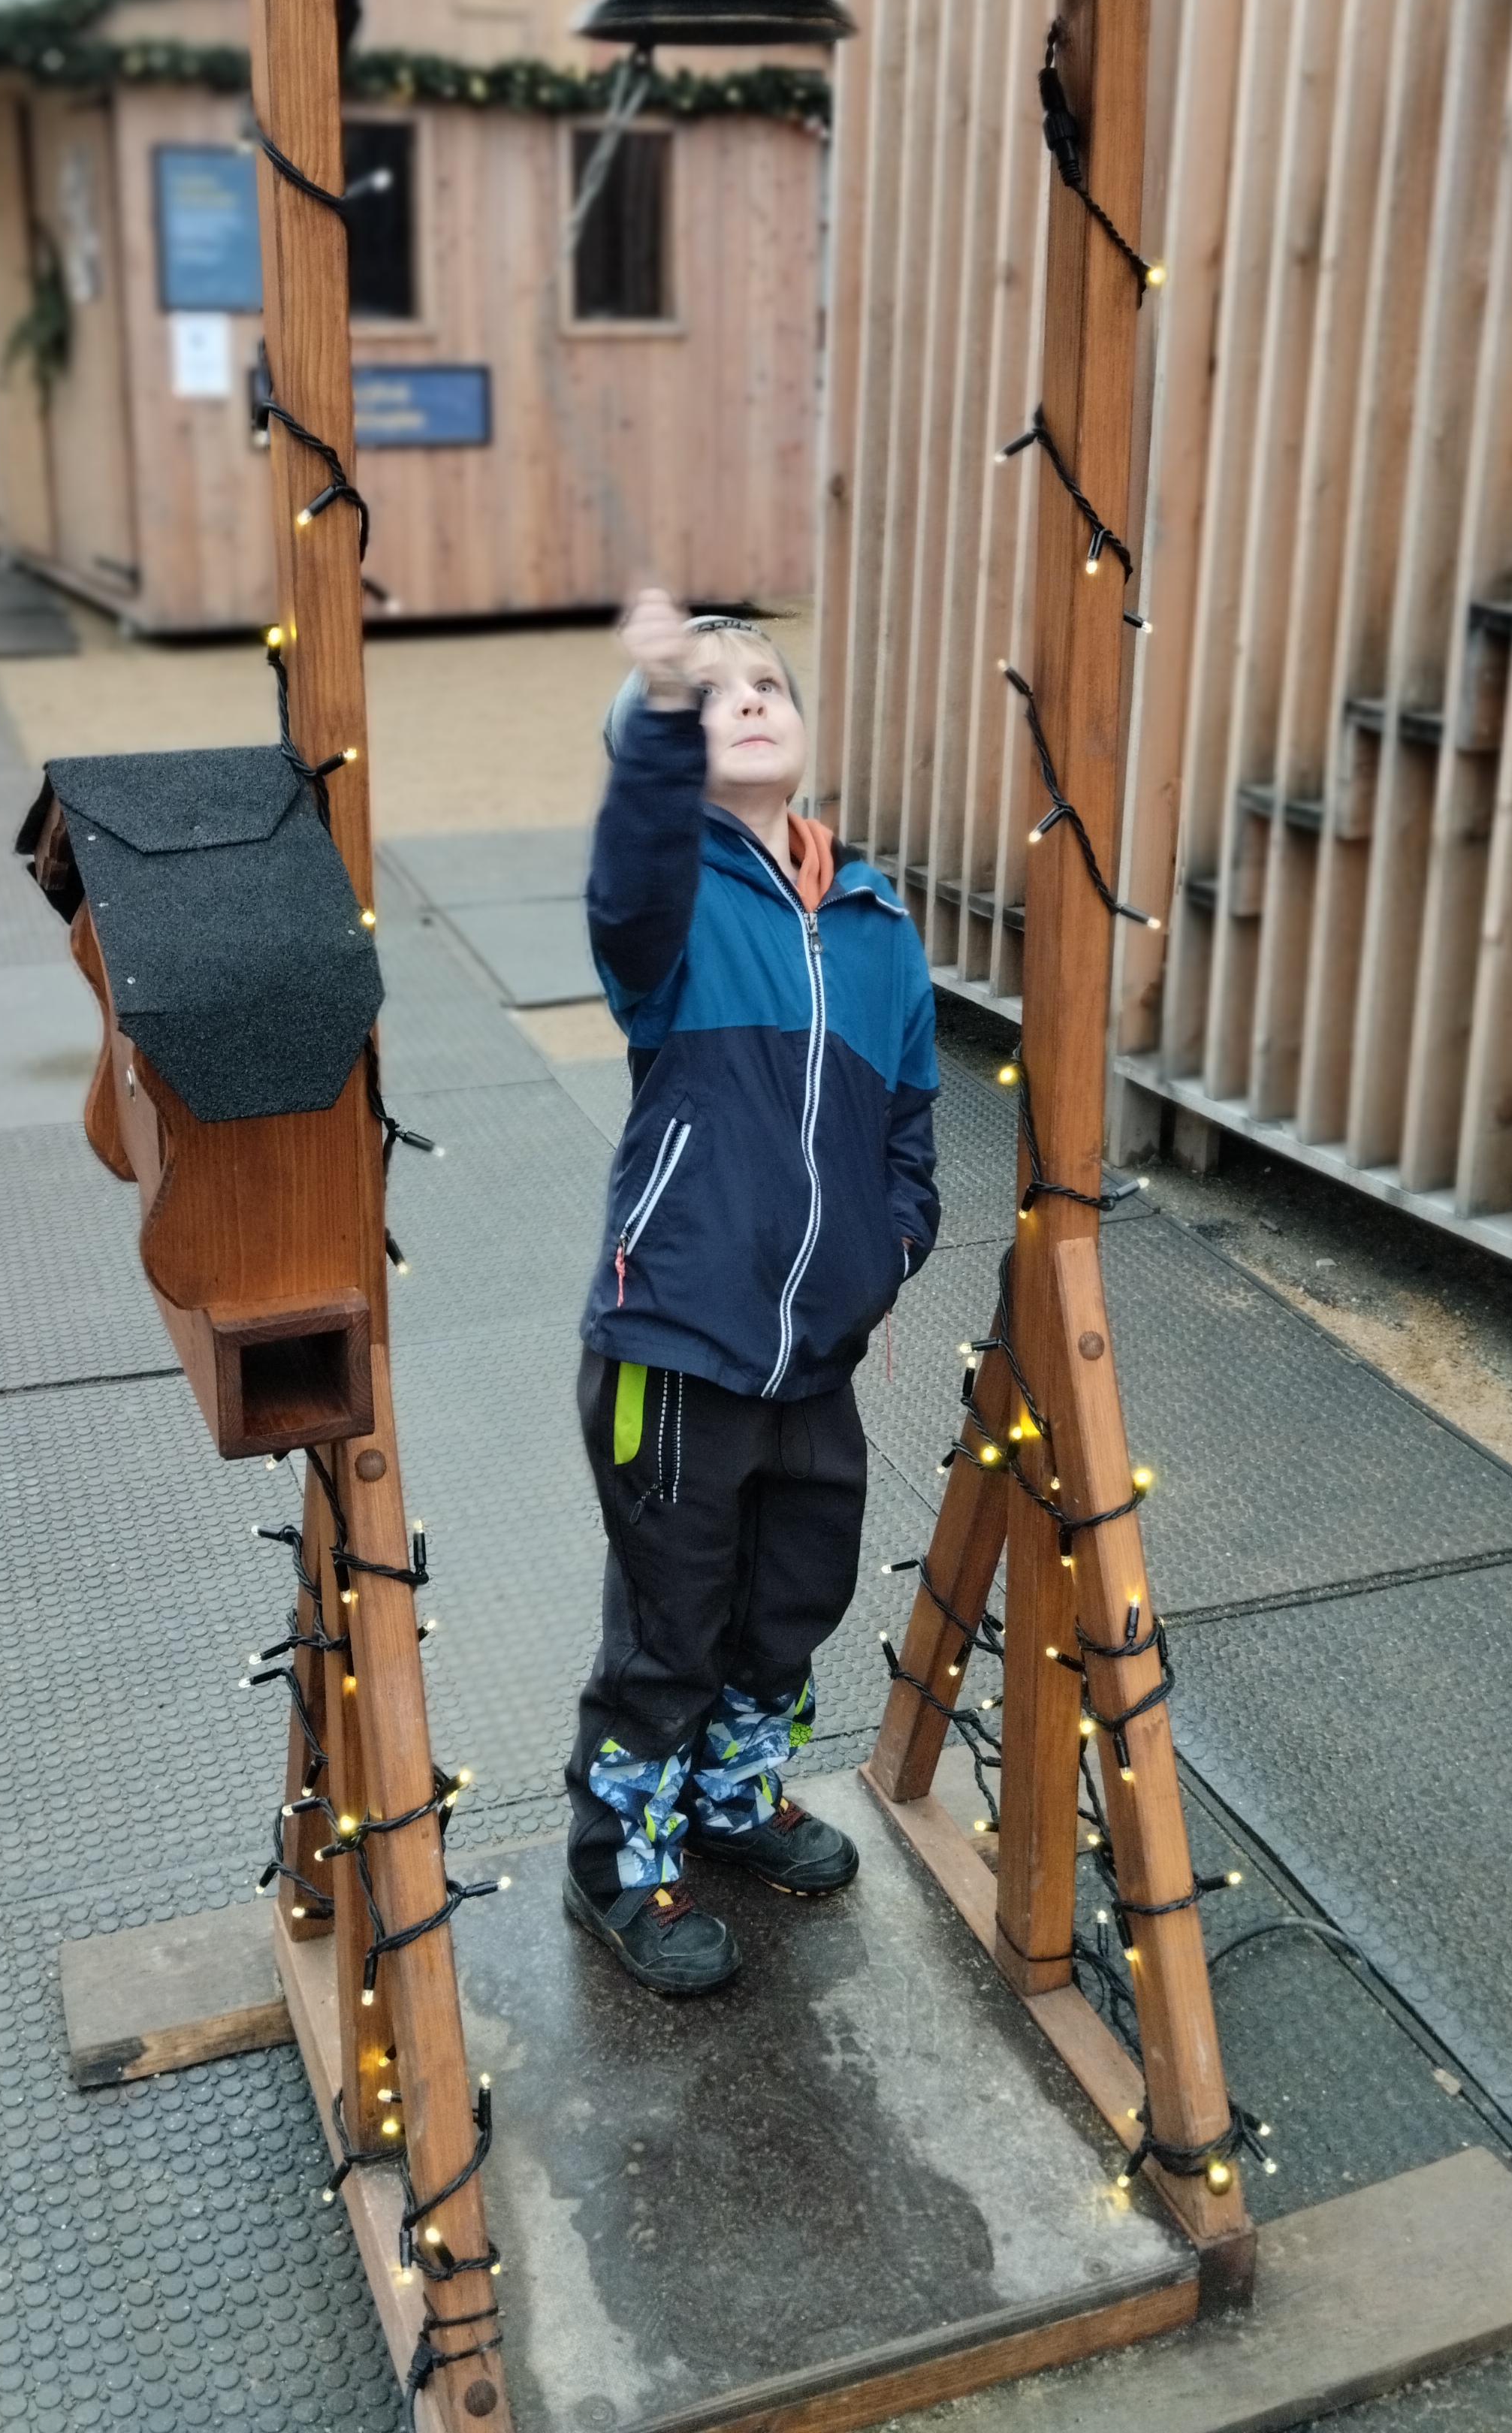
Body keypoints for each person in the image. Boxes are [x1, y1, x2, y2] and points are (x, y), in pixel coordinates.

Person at [563, 588, 941, 1995]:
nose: (751, 699)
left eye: (767, 682)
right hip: (680, 1341)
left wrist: (890, 1247)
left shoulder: (878, 920)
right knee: (672, 1621)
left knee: (795, 1595)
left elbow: (911, 1117)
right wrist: (663, 712)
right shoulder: (671, 908)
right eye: (715, 694)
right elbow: (628, 874)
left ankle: (732, 1796)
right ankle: (620, 1857)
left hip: (817, 1354)